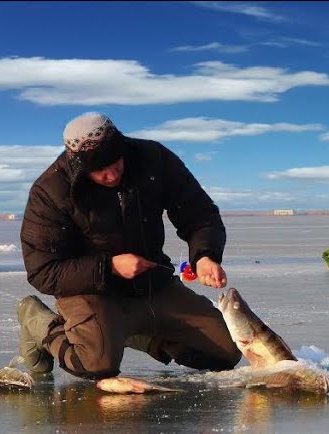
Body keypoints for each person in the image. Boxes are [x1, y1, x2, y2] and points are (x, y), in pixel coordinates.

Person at [16, 112, 242, 379]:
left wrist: (205, 255)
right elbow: (43, 270)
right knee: (96, 364)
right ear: (78, 165)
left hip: (152, 284)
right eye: (99, 170)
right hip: (91, 291)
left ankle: (130, 332)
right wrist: (108, 267)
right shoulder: (50, 190)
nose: (111, 175)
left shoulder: (153, 158)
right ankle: (39, 322)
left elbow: (199, 212)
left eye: (116, 163)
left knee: (226, 352)